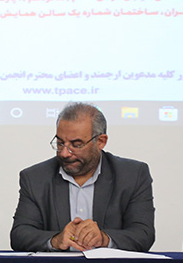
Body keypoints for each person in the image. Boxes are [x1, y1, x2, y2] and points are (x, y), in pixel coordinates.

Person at [10, 102, 154, 252]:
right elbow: (19, 236)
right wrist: (55, 240)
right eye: (60, 143)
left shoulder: (132, 175)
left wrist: (104, 239)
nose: (64, 153)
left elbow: (143, 234)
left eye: (76, 144)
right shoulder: (35, 178)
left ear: (101, 141)